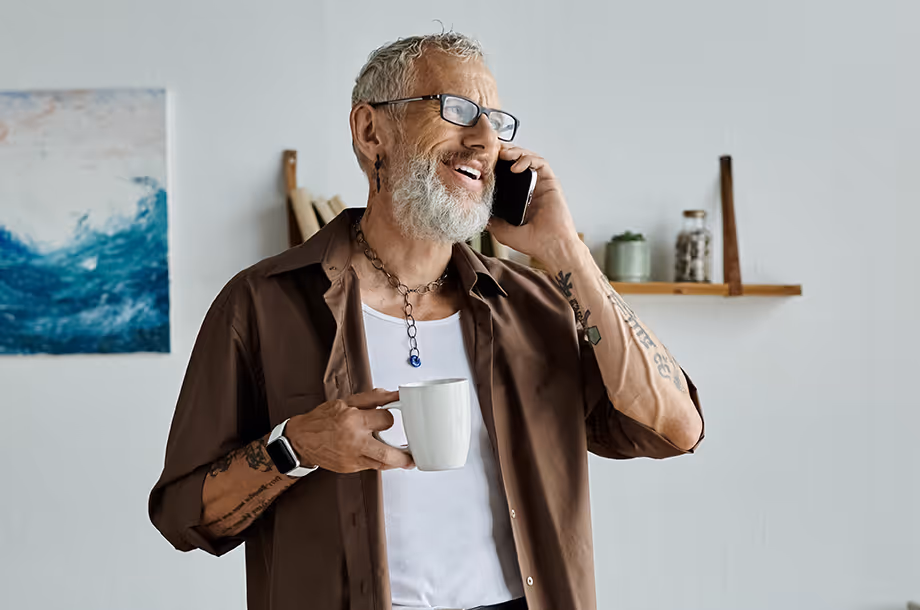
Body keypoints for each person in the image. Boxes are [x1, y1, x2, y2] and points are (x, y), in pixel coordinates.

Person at [149, 32, 704, 610]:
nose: (486, 140)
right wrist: (296, 447)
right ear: (370, 132)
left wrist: (565, 250)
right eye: (458, 110)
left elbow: (676, 428)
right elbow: (185, 516)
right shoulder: (259, 304)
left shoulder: (535, 305)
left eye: (495, 120)